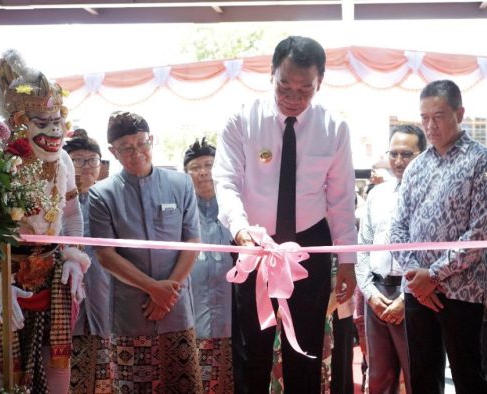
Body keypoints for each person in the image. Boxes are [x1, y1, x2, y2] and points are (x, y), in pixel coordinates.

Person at [213, 35, 358, 393]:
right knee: (253, 344)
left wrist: (350, 262)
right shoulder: (242, 120)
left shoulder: (334, 129)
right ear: (271, 74)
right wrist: (240, 228)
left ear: (320, 82)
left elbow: (341, 200)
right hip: (254, 244)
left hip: (309, 242)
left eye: (304, 89)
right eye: (284, 87)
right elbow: (226, 181)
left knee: (306, 346)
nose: (293, 99)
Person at [0, 50, 90, 393]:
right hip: (3, 271)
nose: (55, 130)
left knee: (58, 357)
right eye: (43, 123)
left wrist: (72, 254)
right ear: (19, 122)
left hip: (52, 271)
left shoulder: (65, 160)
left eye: (58, 120)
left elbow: (71, 214)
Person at [390, 79, 487, 394]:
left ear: (459, 113)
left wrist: (434, 275)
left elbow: (481, 231)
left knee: (469, 375)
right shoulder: (416, 167)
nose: (430, 125)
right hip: (416, 290)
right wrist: (416, 276)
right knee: (423, 375)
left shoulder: (482, 160)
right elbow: (397, 228)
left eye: (438, 115)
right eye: (424, 117)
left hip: (461, 290)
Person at [88, 111, 202, 393]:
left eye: (141, 143)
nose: (136, 152)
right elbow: (106, 256)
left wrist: (167, 293)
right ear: (114, 152)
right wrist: (153, 289)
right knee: (134, 386)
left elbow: (192, 243)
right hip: (131, 311)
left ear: (151, 140)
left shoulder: (181, 184)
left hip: (176, 308)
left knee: (183, 385)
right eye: (126, 147)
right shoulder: (101, 194)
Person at [356, 124, 426, 394]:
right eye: (393, 153)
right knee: (378, 380)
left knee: (418, 377)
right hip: (377, 294)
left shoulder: (432, 195)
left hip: (416, 296)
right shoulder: (377, 194)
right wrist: (370, 292)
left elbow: (433, 255)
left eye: (407, 154)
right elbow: (363, 246)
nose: (398, 161)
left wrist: (405, 298)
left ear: (422, 154)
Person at [63, 129, 113, 394]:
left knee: (104, 368)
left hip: (103, 293)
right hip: (65, 293)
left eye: (92, 160)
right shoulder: (55, 202)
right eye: (78, 160)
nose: (85, 167)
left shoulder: (110, 200)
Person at [183, 137, 235, 394]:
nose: (203, 172)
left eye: (209, 164)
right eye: (195, 167)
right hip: (193, 323)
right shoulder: (180, 217)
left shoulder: (236, 213)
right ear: (186, 174)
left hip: (234, 320)